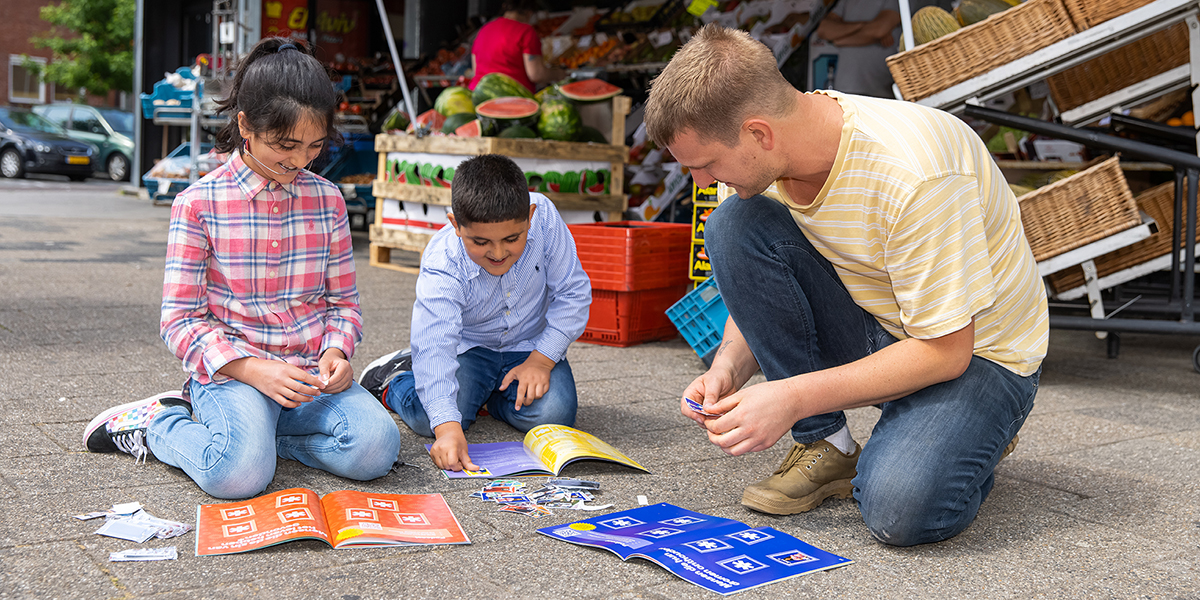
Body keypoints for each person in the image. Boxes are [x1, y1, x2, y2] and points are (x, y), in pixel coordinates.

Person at [643, 24, 1047, 546]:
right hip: (882, 325)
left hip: (979, 356)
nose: (701, 181)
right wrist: (729, 367)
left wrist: (791, 395)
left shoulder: (915, 174)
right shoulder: (755, 163)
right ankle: (828, 446)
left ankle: (976, 432)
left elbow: (947, 352)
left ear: (759, 133)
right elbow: (766, 285)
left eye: (705, 165)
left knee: (900, 512)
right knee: (733, 225)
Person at [82, 38, 401, 499]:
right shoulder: (198, 204)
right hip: (234, 374)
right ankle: (161, 424)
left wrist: (338, 353)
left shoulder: (328, 200)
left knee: (376, 450)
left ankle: (261, 445)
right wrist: (253, 370)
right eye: (285, 145)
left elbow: (343, 305)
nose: (299, 161)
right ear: (245, 125)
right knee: (236, 477)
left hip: (309, 376)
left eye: (314, 147)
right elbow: (179, 321)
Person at [359, 154, 591, 472]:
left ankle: (487, 395)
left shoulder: (546, 218)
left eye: (512, 238)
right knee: (431, 420)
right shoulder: (442, 260)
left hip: (528, 346)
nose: (498, 253)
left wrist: (541, 361)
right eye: (481, 242)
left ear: (530, 216)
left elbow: (574, 294)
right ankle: (395, 378)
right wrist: (448, 428)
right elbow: (436, 344)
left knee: (555, 414)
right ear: (455, 224)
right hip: (467, 348)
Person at [468, 0, 566, 94]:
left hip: (478, 94)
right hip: (511, 98)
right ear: (529, 13)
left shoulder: (484, 30)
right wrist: (558, 74)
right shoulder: (526, 31)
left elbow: (475, 70)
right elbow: (536, 74)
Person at [814, 0, 902, 98]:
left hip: (882, 89)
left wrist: (840, 39)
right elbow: (823, 29)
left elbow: (879, 29)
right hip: (845, 89)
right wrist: (866, 25)